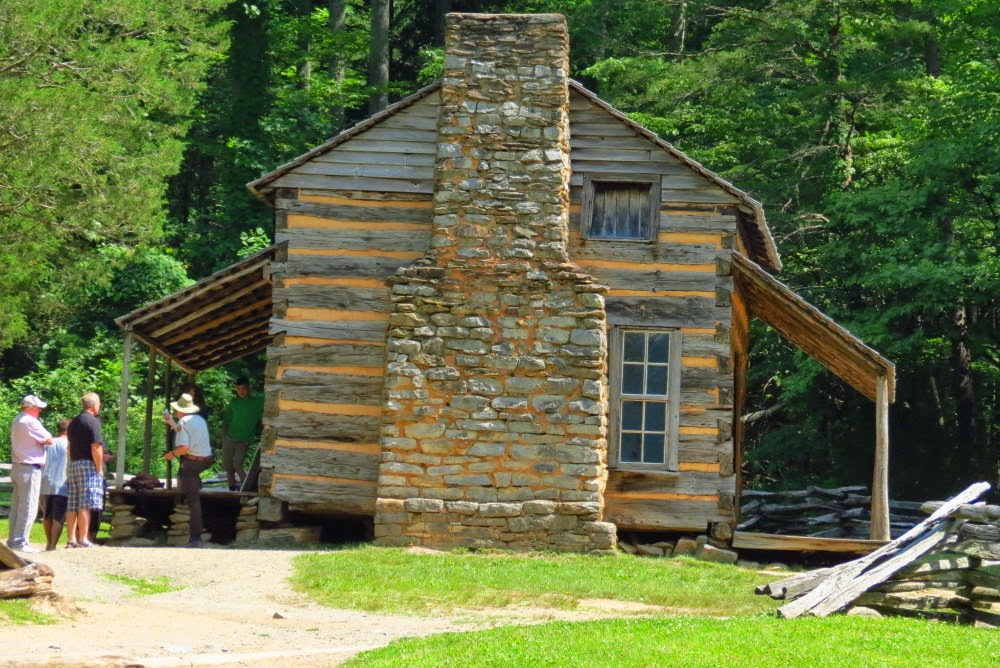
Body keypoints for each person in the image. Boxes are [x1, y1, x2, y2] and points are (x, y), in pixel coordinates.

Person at [163, 393, 213, 548]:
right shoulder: (199, 420)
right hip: (205, 460)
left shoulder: (184, 421)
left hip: (192, 463)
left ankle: (195, 537)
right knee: (191, 486)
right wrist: (171, 422)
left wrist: (171, 454)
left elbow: (184, 447)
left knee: (193, 500)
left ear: (181, 410)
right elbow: (181, 428)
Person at [6, 394, 54, 553]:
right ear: (31, 408)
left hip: (18, 466)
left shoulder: (17, 420)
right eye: (38, 408)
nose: (40, 411)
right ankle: (20, 542)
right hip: (29, 467)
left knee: (17, 506)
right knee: (29, 506)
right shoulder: (31, 421)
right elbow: (49, 439)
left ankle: (13, 540)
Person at [66, 393, 106, 548]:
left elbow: (69, 447)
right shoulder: (93, 422)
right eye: (99, 404)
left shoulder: (73, 422)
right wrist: (99, 467)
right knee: (85, 503)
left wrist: (71, 462)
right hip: (87, 465)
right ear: (94, 404)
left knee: (72, 504)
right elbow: (96, 446)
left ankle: (71, 539)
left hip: (74, 464)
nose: (99, 406)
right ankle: (83, 539)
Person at [220, 377, 264, 491]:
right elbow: (226, 420)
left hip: (243, 441)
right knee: (229, 468)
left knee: (238, 466)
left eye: (244, 388)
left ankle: (247, 490)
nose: (241, 392)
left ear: (250, 388)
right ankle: (232, 491)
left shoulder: (258, 402)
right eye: (238, 389)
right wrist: (223, 437)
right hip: (229, 439)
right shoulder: (233, 402)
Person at [40, 418, 71, 551]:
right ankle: (53, 545)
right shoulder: (70, 444)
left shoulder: (48, 443)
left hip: (45, 482)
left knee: (47, 515)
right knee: (58, 517)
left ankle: (48, 543)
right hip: (62, 484)